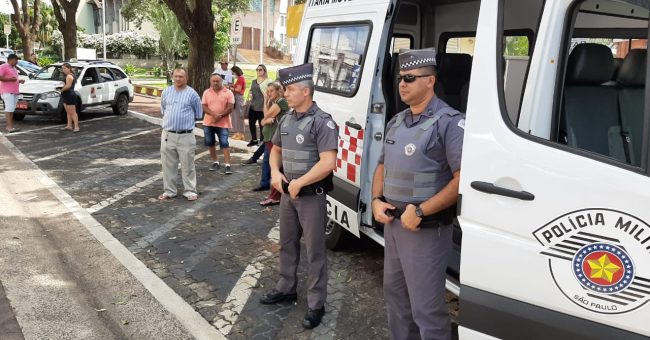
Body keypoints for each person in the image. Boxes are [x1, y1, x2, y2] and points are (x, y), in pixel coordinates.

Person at [371, 49, 464, 340]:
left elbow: (462, 180)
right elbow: (382, 165)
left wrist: (421, 211)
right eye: (400, 77)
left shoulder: (451, 122)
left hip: (424, 228)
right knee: (396, 299)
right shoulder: (397, 121)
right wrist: (375, 200)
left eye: (410, 78)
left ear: (430, 81)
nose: (402, 83)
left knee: (426, 308)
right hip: (395, 226)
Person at [259, 63, 338, 330]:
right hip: (287, 195)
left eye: (290, 89)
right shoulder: (287, 119)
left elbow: (328, 162)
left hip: (310, 196)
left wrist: (299, 182)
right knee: (287, 243)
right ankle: (286, 288)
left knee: (315, 251)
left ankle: (317, 303)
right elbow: (275, 151)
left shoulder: (322, 121)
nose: (286, 94)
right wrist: (274, 173)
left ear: (306, 92)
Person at [159, 67, 203, 201]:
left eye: (181, 76)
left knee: (188, 165)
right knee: (167, 165)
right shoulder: (166, 92)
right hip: (168, 135)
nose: (178, 79)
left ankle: (190, 191)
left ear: (186, 78)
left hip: (186, 136)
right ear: (173, 77)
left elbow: (198, 113)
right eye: (176, 76)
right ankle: (169, 191)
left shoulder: (192, 94)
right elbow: (163, 109)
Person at [257, 81, 289, 205]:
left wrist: (265, 101)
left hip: (275, 139)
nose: (269, 93)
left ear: (278, 91)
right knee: (272, 165)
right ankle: (275, 194)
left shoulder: (280, 102)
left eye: (271, 91)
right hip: (270, 138)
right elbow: (263, 120)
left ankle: (275, 196)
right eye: (268, 91)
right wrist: (265, 120)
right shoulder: (275, 103)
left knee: (276, 167)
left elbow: (266, 115)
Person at [202, 73, 235, 175]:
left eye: (218, 81)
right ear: (211, 82)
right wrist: (214, 115)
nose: (215, 83)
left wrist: (219, 116)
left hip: (223, 123)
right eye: (213, 81)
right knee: (210, 142)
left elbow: (230, 107)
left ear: (222, 81)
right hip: (209, 122)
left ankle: (227, 165)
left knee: (224, 143)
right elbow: (204, 106)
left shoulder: (228, 92)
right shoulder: (206, 92)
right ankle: (215, 161)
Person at [246, 64, 272, 147]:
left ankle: (262, 140)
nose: (258, 71)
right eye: (257, 69)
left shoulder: (268, 81)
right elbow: (251, 91)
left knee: (262, 125)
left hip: (262, 107)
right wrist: (249, 96)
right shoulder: (254, 81)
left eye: (260, 69)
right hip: (253, 106)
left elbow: (271, 92)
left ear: (264, 71)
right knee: (251, 123)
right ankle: (254, 140)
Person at [0, 54, 25, 133]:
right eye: (16, 60)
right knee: (9, 109)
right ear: (10, 59)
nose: (17, 61)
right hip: (7, 91)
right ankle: (9, 127)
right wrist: (10, 79)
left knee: (12, 109)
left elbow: (14, 79)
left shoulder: (14, 68)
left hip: (14, 92)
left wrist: (19, 81)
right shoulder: (4, 66)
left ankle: (10, 126)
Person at [60, 63, 80, 132]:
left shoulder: (69, 76)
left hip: (70, 95)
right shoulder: (67, 76)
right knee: (68, 112)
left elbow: (68, 86)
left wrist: (61, 89)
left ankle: (76, 127)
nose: (63, 70)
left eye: (65, 68)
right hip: (66, 95)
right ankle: (69, 125)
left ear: (69, 68)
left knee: (72, 112)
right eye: (62, 68)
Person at [230, 66, 247, 141]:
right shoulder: (241, 78)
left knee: (239, 116)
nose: (233, 74)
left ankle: (240, 133)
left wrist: (230, 88)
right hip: (238, 97)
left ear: (236, 72)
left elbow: (238, 89)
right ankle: (238, 133)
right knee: (236, 115)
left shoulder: (240, 79)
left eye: (233, 72)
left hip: (238, 97)